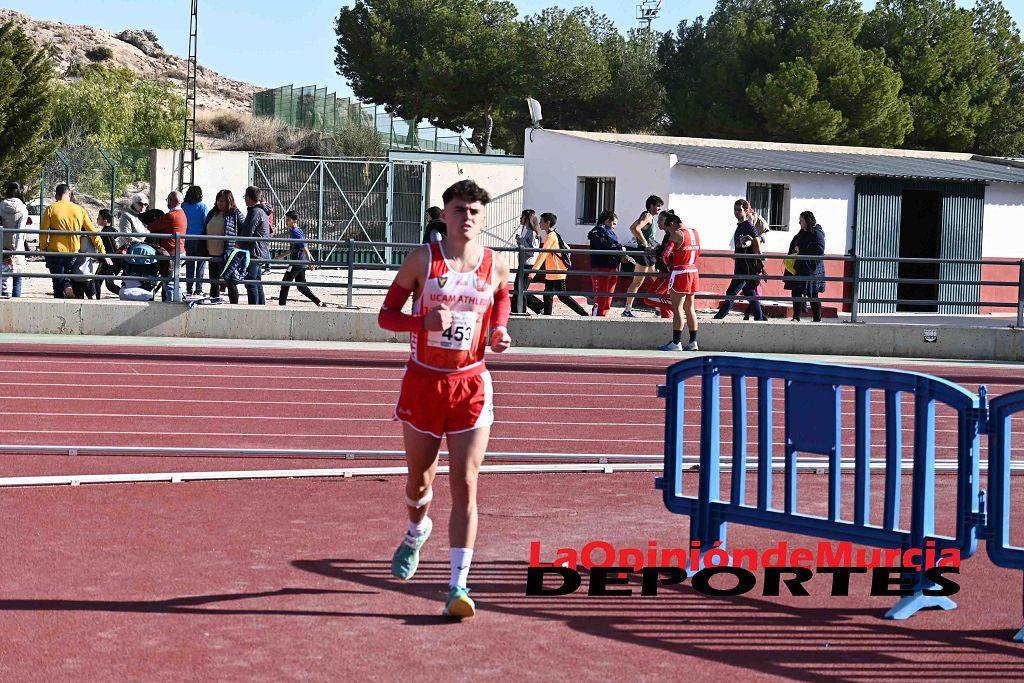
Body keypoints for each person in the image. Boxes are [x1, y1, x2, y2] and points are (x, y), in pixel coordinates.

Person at [378, 179, 512, 620]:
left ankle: (458, 586)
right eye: (459, 209)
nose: (467, 217)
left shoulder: (495, 265)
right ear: (445, 214)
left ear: (482, 216)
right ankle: (416, 531)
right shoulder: (422, 260)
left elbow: (502, 299)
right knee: (419, 481)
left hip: (471, 385)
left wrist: (499, 330)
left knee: (466, 484)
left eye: (474, 210)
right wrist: (422, 321)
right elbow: (385, 316)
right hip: (424, 382)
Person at [39, 184, 109, 299]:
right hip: (72, 252)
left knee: (57, 283)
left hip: (55, 251)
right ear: (70, 194)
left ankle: (63, 293)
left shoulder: (51, 208)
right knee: (67, 275)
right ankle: (67, 287)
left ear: (56, 195)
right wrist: (103, 251)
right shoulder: (79, 210)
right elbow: (93, 233)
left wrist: (43, 248)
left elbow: (43, 232)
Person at [713, 199, 766, 321]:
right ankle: (760, 318)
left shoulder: (748, 225)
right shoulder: (741, 226)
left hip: (745, 266)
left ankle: (718, 317)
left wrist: (754, 258)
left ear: (746, 211)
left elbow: (756, 239)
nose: (736, 212)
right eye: (735, 210)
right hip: (741, 264)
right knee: (749, 292)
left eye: (739, 210)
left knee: (731, 292)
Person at [528, 212, 588, 316]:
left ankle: (583, 313)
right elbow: (568, 248)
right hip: (554, 271)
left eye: (541, 221)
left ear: (547, 223)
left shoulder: (550, 236)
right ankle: (547, 314)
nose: (539, 223)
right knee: (547, 295)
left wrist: (533, 272)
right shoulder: (554, 234)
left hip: (556, 271)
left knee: (562, 296)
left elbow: (543, 254)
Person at [658, 214, 701, 351]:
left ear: (671, 224)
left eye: (667, 229)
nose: (668, 232)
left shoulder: (676, 234)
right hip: (693, 271)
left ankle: (676, 342)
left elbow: (665, 254)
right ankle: (693, 342)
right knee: (690, 308)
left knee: (677, 309)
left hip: (680, 272)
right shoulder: (694, 232)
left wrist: (669, 265)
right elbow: (698, 251)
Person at [622, 194, 663, 317]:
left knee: (657, 279)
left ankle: (658, 308)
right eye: (658, 206)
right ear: (651, 206)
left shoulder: (646, 215)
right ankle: (627, 310)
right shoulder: (648, 216)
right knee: (637, 282)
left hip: (648, 254)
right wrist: (645, 243)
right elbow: (637, 228)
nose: (659, 209)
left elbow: (632, 228)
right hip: (645, 254)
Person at [203, 189, 243, 304]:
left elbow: (244, 230)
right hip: (212, 254)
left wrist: (237, 246)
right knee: (214, 283)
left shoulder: (235, 213)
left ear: (229, 201)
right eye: (218, 200)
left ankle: (234, 306)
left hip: (228, 255)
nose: (219, 203)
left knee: (231, 282)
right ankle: (214, 303)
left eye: (222, 201)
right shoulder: (212, 212)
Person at [278, 210, 326, 307]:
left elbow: (305, 248)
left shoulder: (296, 232)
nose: (286, 221)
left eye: (288, 220)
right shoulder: (295, 231)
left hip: (297, 262)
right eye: (286, 219)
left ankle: (281, 306)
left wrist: (310, 262)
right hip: (300, 262)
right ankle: (319, 302)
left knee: (284, 284)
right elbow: (292, 249)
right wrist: (280, 256)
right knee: (301, 287)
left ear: (295, 221)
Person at [147, 191, 188, 301]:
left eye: (168, 200)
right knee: (174, 280)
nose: (167, 202)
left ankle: (174, 303)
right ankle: (176, 301)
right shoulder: (182, 214)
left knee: (169, 282)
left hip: (171, 252)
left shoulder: (171, 216)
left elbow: (152, 227)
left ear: (171, 201)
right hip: (180, 250)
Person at [790, 211, 826, 322]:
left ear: (807, 220)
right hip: (800, 267)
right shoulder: (801, 234)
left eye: (801, 219)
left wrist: (802, 251)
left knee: (813, 293)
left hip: (812, 268)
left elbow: (819, 250)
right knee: (796, 292)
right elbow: (793, 246)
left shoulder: (817, 234)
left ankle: (817, 318)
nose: (799, 222)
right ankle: (796, 317)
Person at [587, 210, 623, 317]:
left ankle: (602, 317)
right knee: (602, 298)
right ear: (607, 221)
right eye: (614, 224)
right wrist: (618, 250)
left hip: (610, 268)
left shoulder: (603, 232)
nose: (614, 227)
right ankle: (597, 319)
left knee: (606, 298)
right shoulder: (597, 231)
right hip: (601, 268)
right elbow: (601, 247)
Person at [240, 186, 272, 305]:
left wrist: (238, 244)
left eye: (245, 197)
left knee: (251, 283)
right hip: (260, 251)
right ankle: (261, 306)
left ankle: (254, 307)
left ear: (249, 197)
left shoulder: (254, 212)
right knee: (257, 282)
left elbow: (247, 233)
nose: (244, 200)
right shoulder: (262, 211)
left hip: (254, 252)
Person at [1, 181, 28, 298]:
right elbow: (20, 232)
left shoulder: (1, 206)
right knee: (17, 279)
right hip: (17, 247)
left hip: (2, 246)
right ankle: (16, 302)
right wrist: (16, 253)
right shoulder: (23, 209)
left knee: (3, 276)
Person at [513, 209, 544, 314]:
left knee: (521, 289)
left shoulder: (532, 233)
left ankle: (521, 310)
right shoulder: (529, 232)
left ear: (527, 219)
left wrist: (521, 241)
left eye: (522, 217)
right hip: (525, 264)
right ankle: (522, 309)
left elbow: (531, 251)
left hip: (528, 264)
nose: (520, 219)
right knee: (519, 288)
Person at [181, 185, 209, 297]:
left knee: (189, 265)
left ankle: (188, 288)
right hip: (200, 239)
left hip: (187, 239)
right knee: (201, 265)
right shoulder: (203, 207)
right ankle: (199, 289)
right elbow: (206, 222)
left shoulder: (183, 206)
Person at [93, 209, 121, 298]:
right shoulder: (110, 231)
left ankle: (96, 299)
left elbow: (110, 248)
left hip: (107, 261)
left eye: (99, 218)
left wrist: (104, 257)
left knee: (96, 281)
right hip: (110, 261)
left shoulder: (106, 232)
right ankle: (124, 294)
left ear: (105, 221)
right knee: (110, 285)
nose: (97, 219)